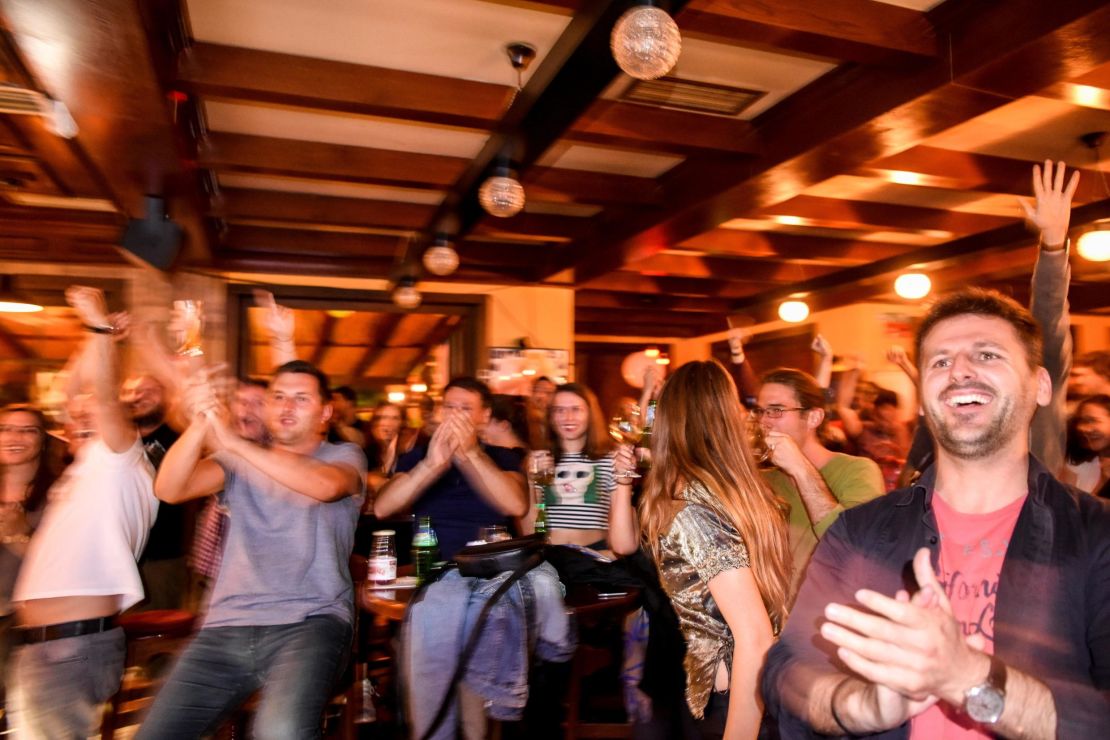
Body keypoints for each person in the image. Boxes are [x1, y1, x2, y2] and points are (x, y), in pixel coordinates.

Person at [762, 288, 1110, 738]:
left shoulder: (1096, 535)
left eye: (987, 355)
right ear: (923, 399)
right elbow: (787, 667)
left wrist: (968, 678)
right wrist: (859, 705)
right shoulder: (861, 531)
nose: (960, 370)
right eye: (940, 362)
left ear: (1040, 385)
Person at [138, 360, 367, 737]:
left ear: (325, 412)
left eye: (301, 398)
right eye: (277, 397)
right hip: (226, 624)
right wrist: (201, 422)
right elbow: (169, 489)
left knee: (280, 732)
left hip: (311, 623)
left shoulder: (344, 456)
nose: (286, 406)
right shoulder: (237, 459)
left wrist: (231, 441)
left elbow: (325, 487)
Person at [8, 287, 158, 738]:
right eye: (75, 420)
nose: (78, 421)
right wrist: (96, 340)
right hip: (53, 647)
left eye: (91, 418)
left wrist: (98, 328)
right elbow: (72, 393)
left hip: (69, 648)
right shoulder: (83, 473)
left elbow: (104, 400)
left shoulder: (121, 456)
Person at [629, 360, 791, 738]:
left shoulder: (693, 507)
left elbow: (754, 635)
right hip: (743, 690)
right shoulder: (739, 491)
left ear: (670, 419)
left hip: (732, 700)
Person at [755, 368, 883, 598]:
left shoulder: (859, 471)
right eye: (760, 411)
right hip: (775, 623)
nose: (763, 421)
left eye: (776, 411)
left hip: (827, 623)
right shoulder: (765, 479)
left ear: (813, 418)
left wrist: (800, 469)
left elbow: (855, 551)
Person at [374, 377, 526, 560]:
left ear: (485, 415)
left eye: (465, 409)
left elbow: (516, 506)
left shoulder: (502, 457)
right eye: (449, 407)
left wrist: (472, 454)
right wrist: (430, 465)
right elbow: (382, 509)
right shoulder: (419, 456)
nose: (455, 416)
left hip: (490, 565)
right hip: (435, 566)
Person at [0, 405, 58, 714]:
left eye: (27, 430)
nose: (14, 437)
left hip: (25, 627)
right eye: (5, 428)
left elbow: (62, 565)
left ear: (43, 440)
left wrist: (19, 534)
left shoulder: (59, 494)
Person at [532, 383, 633, 551]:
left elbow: (620, 523)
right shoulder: (540, 461)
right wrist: (531, 482)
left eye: (576, 409)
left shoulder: (610, 460)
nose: (568, 417)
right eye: (559, 410)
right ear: (550, 417)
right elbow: (532, 526)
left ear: (590, 414)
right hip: (549, 558)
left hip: (593, 557)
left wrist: (612, 554)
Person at [1066, 394, 1109, 497]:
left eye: (1093, 420)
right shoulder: (1081, 463)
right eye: (1081, 421)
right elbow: (1066, 508)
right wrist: (1102, 482)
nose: (1083, 428)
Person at [527, 376, 557, 449]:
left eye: (548, 392)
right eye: (538, 391)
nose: (542, 396)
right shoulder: (523, 421)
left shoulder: (557, 422)